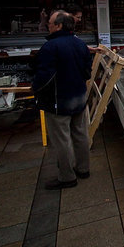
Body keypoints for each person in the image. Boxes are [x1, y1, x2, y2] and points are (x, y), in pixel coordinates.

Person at [33, 10, 93, 190]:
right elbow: (87, 72)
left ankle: (67, 177)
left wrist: (36, 90)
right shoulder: (81, 44)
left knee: (62, 139)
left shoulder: (50, 47)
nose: (48, 26)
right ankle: (83, 169)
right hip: (79, 97)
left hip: (59, 101)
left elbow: (44, 78)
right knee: (81, 134)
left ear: (58, 26)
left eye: (50, 23)